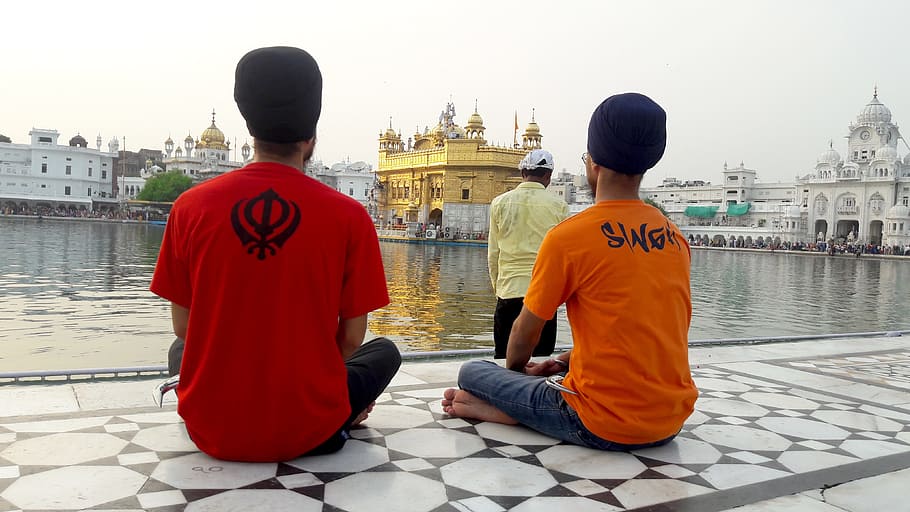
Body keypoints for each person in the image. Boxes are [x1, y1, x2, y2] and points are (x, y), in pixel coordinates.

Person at [150, 46, 400, 463]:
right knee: (384, 351)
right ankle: (344, 411)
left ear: (249, 127)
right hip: (311, 428)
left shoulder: (190, 207)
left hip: (212, 428)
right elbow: (352, 339)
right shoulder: (349, 216)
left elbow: (183, 326)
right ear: (312, 134)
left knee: (181, 353)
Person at [443, 93, 698, 450]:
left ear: (592, 163)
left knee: (473, 372)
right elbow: (644, 334)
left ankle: (515, 411)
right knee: (544, 373)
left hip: (598, 422)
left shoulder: (571, 236)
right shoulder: (674, 237)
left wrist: (517, 374)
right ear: (649, 163)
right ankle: (520, 407)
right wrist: (561, 362)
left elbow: (523, 335)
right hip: (670, 420)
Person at [488, 149, 568, 358]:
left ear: (522, 172)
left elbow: (493, 253)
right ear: (548, 176)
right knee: (540, 363)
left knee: (504, 361)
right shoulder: (559, 206)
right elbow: (565, 257)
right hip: (542, 296)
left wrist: (499, 288)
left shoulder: (499, 203)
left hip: (508, 291)